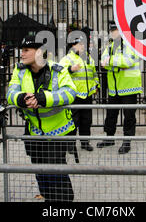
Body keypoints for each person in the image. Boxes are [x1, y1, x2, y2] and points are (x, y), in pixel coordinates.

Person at [6, 34, 77, 202]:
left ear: (39, 52)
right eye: (21, 50)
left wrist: (44, 99)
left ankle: (64, 201)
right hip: (34, 130)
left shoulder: (57, 69)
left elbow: (70, 92)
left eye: (26, 50)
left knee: (54, 171)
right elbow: (10, 92)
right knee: (39, 169)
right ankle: (48, 197)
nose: (21, 54)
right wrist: (21, 98)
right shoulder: (19, 70)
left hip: (57, 132)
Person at [97, 21, 142, 154]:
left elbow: (128, 62)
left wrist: (111, 61)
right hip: (114, 88)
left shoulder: (131, 45)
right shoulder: (110, 46)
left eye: (115, 30)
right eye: (111, 30)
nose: (112, 32)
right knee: (111, 114)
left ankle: (126, 142)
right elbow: (102, 61)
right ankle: (109, 138)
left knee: (128, 116)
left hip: (129, 87)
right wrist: (115, 62)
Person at [59, 35, 99, 151]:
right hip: (74, 96)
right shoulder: (67, 59)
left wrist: (97, 85)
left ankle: (85, 143)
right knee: (73, 121)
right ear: (73, 46)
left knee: (86, 121)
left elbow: (94, 74)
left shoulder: (89, 58)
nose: (82, 46)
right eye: (80, 44)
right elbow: (59, 74)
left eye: (83, 44)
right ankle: (70, 145)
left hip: (87, 95)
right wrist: (70, 69)